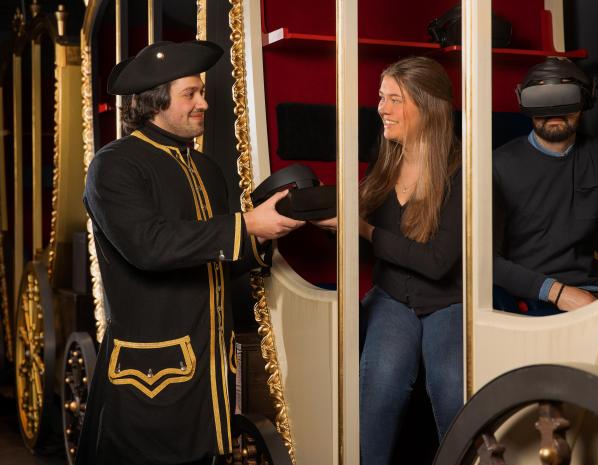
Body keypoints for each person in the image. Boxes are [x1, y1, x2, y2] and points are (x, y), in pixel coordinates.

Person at [77, 40, 304, 465]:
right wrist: (246, 224)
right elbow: (149, 246)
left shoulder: (206, 170)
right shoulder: (115, 165)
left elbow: (214, 259)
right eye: (190, 94)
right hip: (150, 375)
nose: (204, 103)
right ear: (155, 103)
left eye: (201, 92)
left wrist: (269, 230)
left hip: (209, 369)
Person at [314, 56, 463, 465]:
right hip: (393, 297)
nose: (382, 108)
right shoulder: (386, 160)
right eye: (381, 98)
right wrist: (330, 223)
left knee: (450, 387)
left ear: (428, 106)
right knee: (379, 385)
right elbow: (368, 242)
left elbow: (437, 263)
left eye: (395, 99)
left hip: (448, 302)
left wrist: (363, 229)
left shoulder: (462, 170)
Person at [493, 57, 598, 316]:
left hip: (589, 292)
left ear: (586, 100)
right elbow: (485, 261)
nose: (554, 111)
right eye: (543, 100)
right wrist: (557, 292)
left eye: (565, 98)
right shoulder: (498, 165)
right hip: (525, 297)